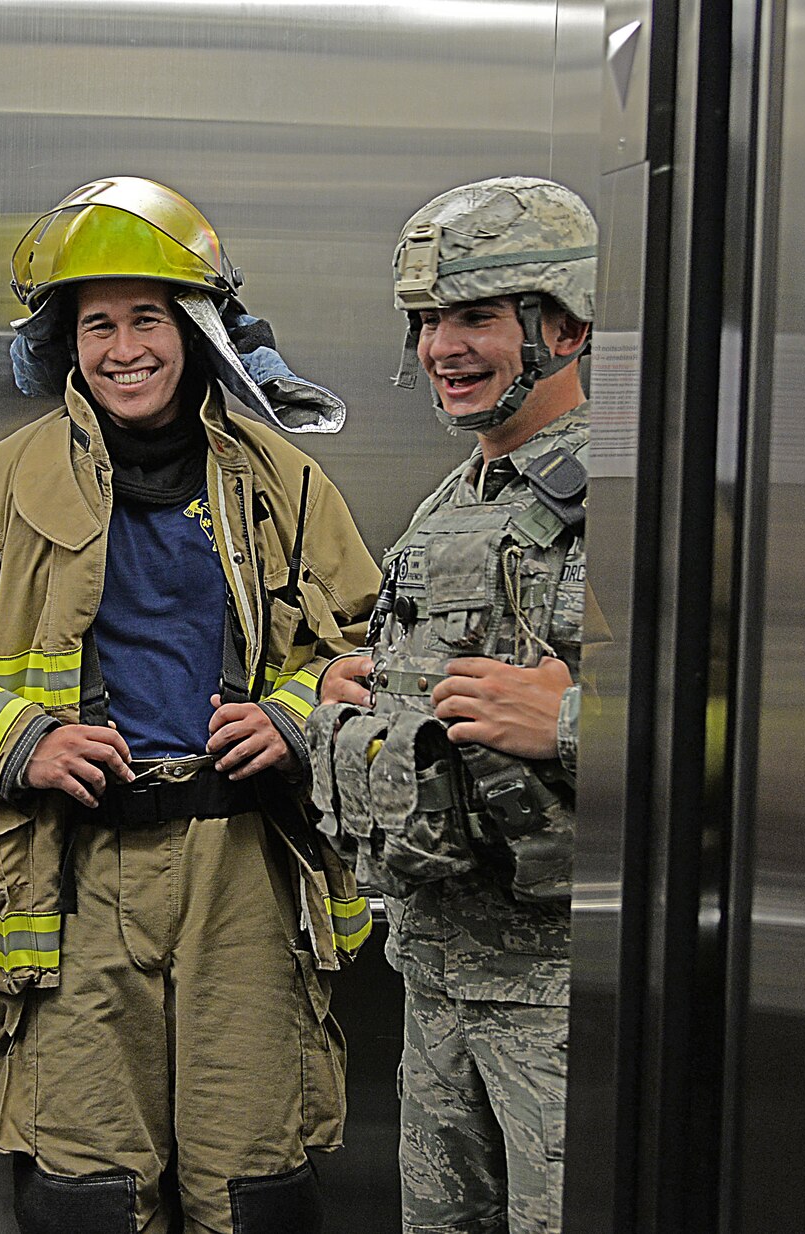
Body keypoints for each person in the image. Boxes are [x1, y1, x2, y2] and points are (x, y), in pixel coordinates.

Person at [0, 176, 382, 1234]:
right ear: (64, 345)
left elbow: (369, 648)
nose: (122, 348)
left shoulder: (283, 485)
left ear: (193, 332)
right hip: (69, 874)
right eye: (95, 323)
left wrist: (290, 715)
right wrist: (25, 742)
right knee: (88, 1193)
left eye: (146, 317)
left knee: (255, 1189)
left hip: (242, 866)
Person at [306, 176, 597, 1234]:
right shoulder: (455, 498)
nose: (441, 347)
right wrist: (356, 685)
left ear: (560, 322)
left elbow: (768, 742)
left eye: (474, 316)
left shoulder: (629, 495)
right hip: (434, 977)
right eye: (426, 320)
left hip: (563, 1003)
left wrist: (567, 723)